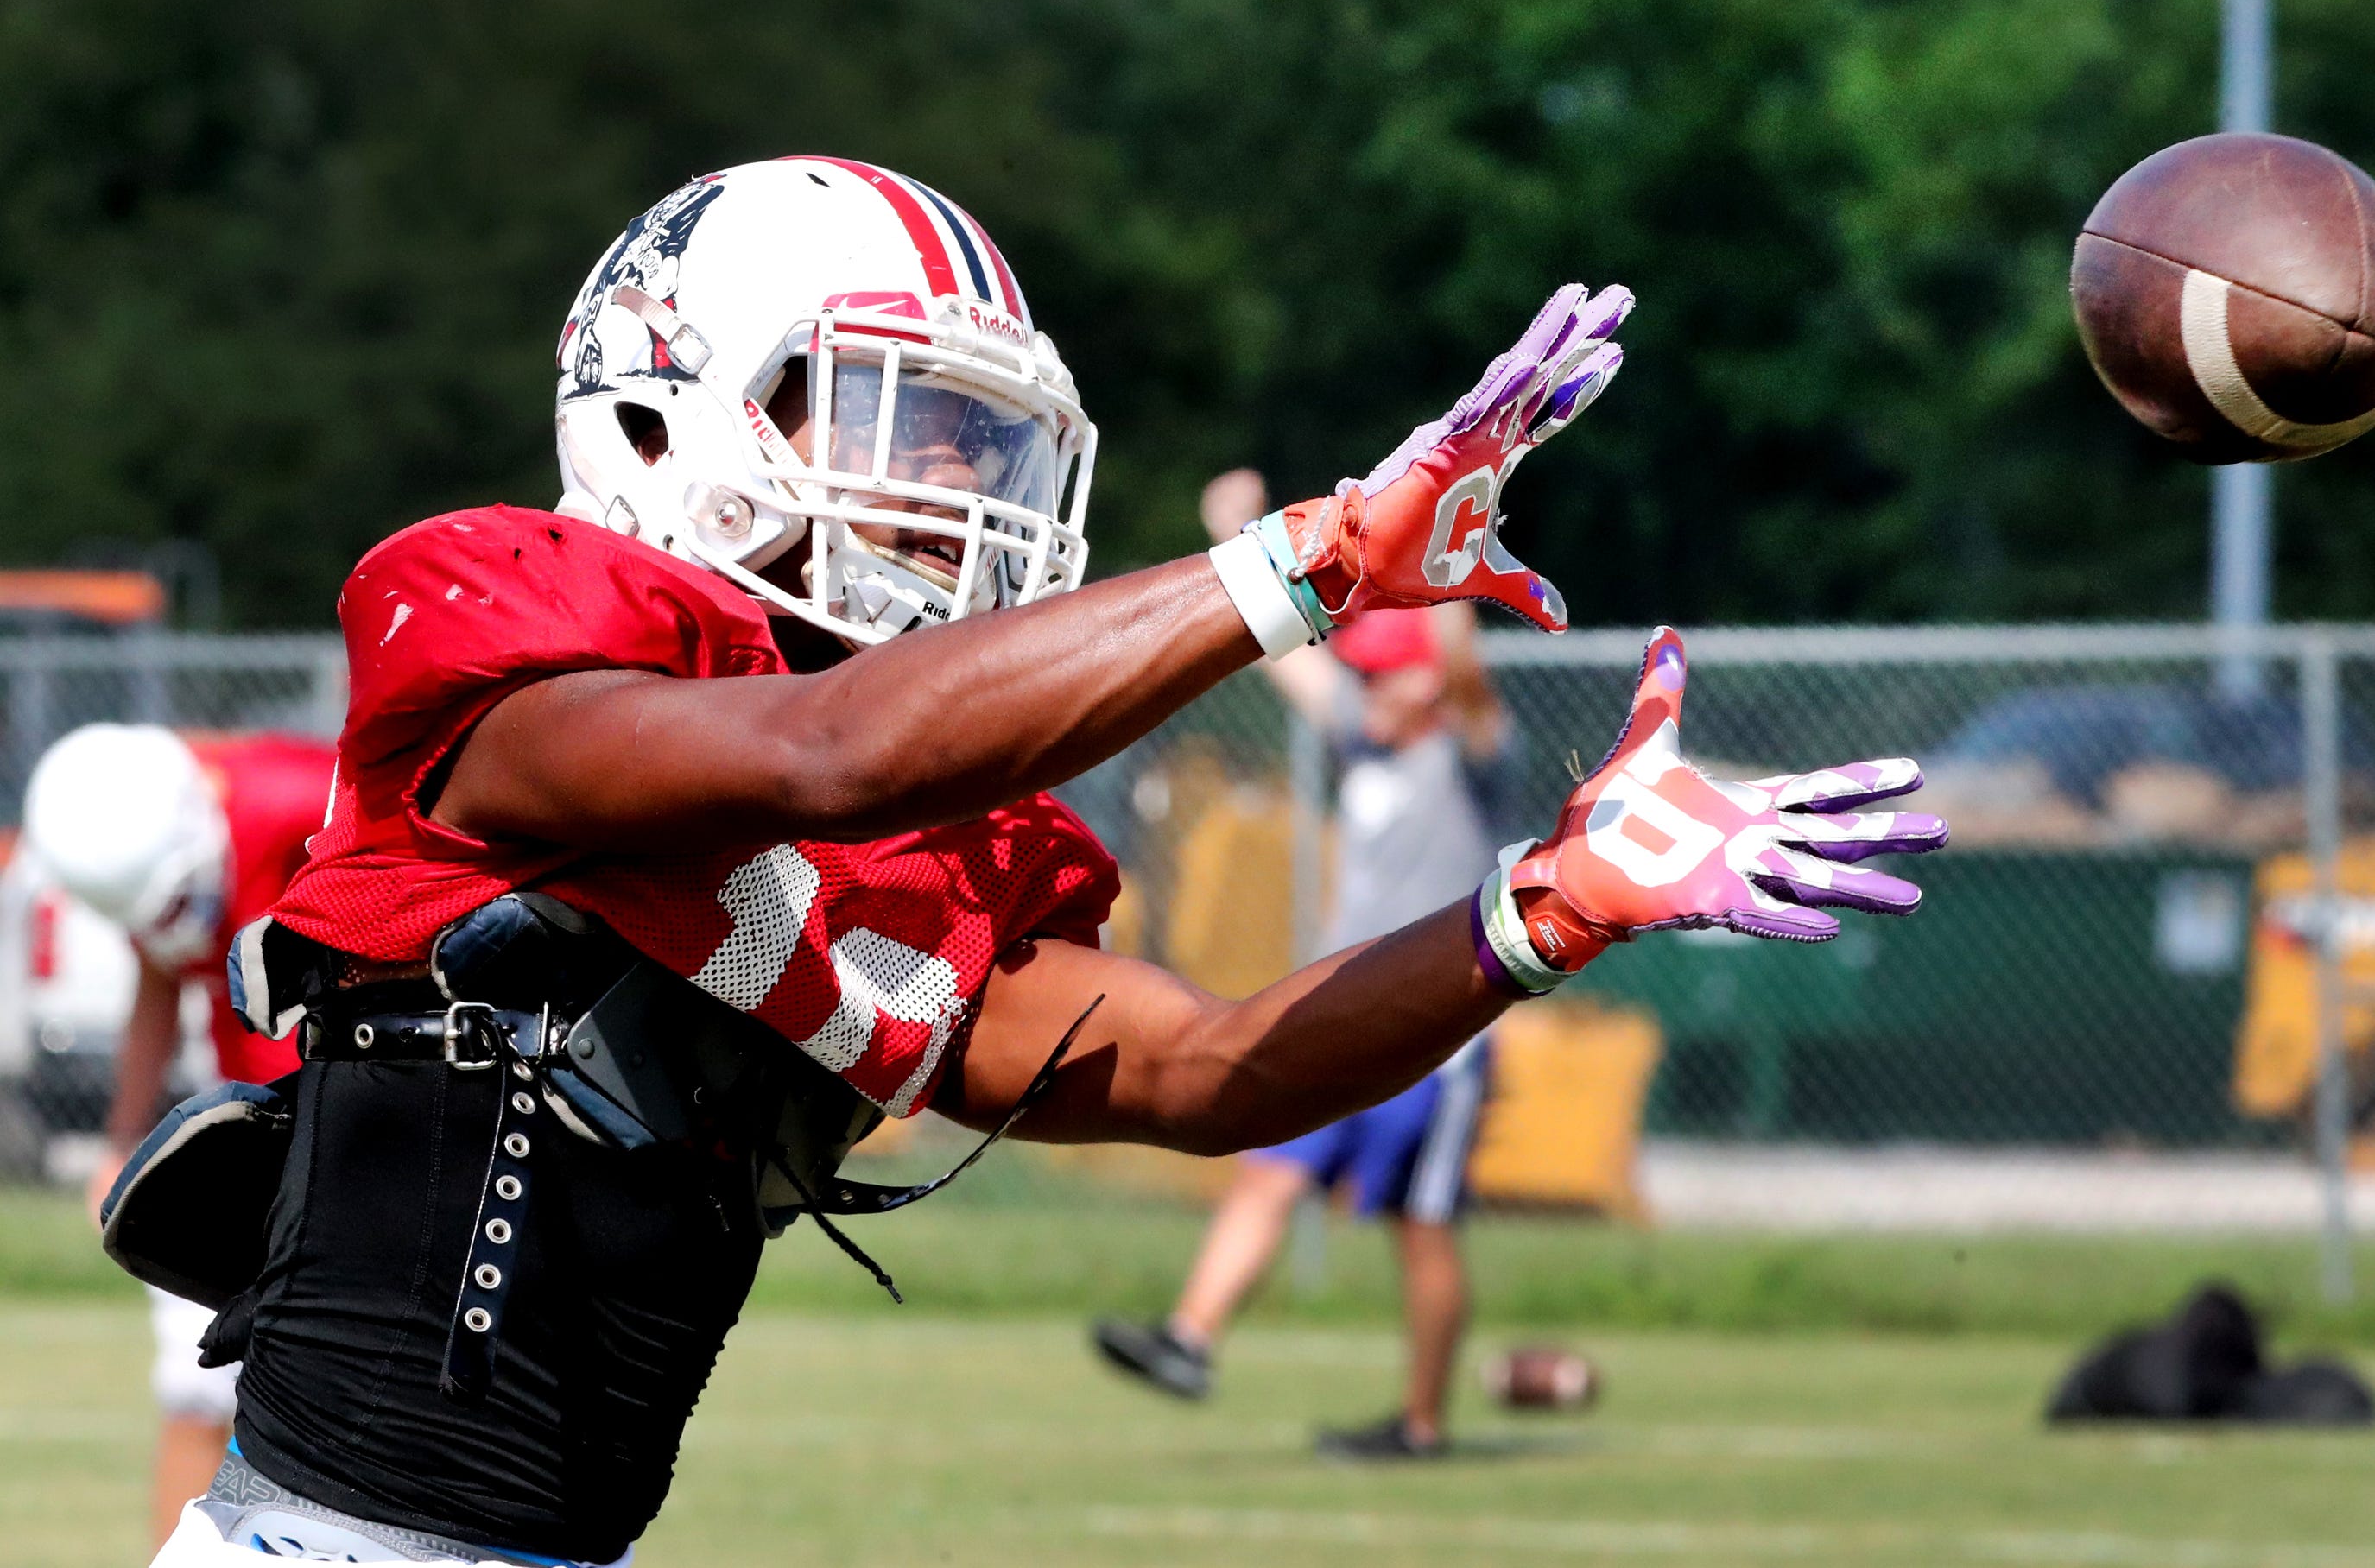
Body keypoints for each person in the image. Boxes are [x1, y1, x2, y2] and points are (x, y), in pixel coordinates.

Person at [130, 157, 1943, 1568]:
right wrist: (1300, 569)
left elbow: (1201, 1069)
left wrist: (1534, 916)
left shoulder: (928, 844)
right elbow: (816, 757)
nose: (945, 489)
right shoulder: (513, 647)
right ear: (670, 413)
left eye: (974, 438)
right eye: (897, 421)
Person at [1092, 469, 1523, 1459]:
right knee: (1268, 1172)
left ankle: (1418, 1425)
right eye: (1365, 674)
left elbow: (1463, 671)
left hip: (1436, 1040)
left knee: (1420, 1229)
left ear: (1425, 682)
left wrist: (1454, 548)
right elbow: (1282, 647)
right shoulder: (1365, 746)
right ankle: (1188, 1341)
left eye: (1386, 673)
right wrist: (1232, 535)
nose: (1367, 685)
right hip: (1346, 1011)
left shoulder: (1465, 752)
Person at [18, 724, 334, 1547]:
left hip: (364, 1117)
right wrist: (119, 1140)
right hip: (264, 1122)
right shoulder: (139, 831)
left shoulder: (307, 799)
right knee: (198, 1384)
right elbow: (162, 968)